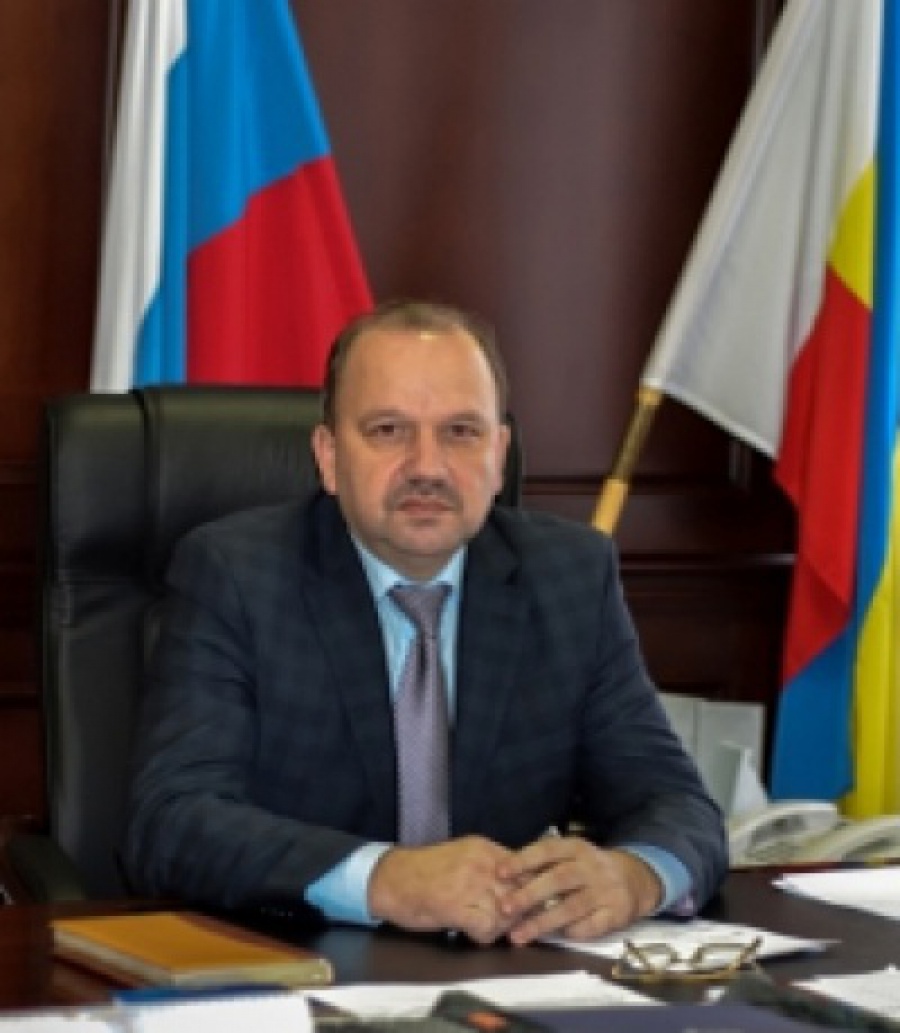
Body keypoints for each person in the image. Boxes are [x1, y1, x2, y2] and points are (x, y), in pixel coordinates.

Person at [123, 299, 727, 946]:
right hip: (301, 964)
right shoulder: (236, 575)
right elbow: (172, 822)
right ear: (328, 456)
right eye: (388, 430)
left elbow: (676, 803)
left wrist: (635, 875)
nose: (428, 467)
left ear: (499, 454)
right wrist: (384, 878)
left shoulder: (570, 577)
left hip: (506, 973)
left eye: (461, 432)